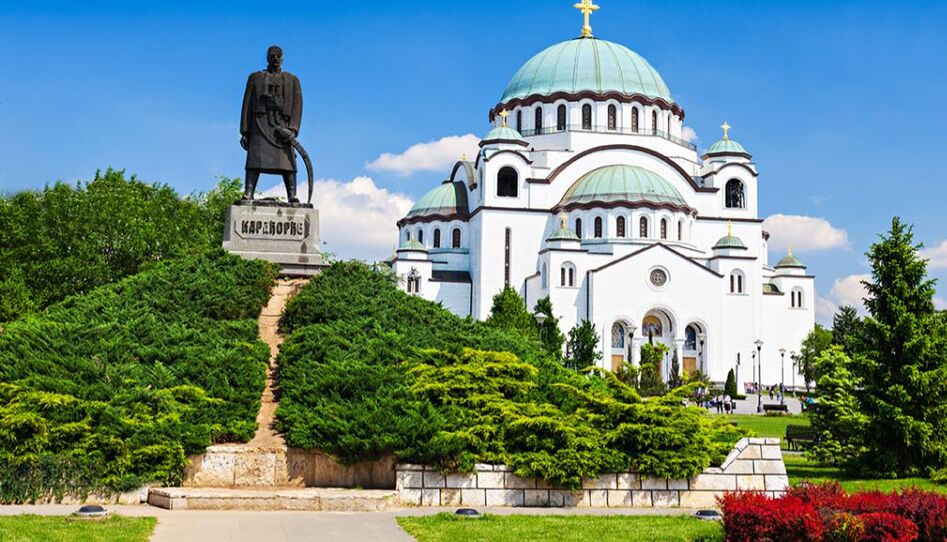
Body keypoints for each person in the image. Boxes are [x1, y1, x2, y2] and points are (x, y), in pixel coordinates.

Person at [240, 45, 304, 202]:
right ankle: (249, 192)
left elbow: (297, 106)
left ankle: (292, 195)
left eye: (278, 56)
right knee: (255, 159)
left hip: (283, 126)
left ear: (282, 58)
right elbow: (246, 105)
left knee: (288, 162)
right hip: (260, 124)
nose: (275, 58)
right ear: (267, 57)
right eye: (272, 55)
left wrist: (293, 130)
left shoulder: (292, 80)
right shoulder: (255, 78)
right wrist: (245, 132)